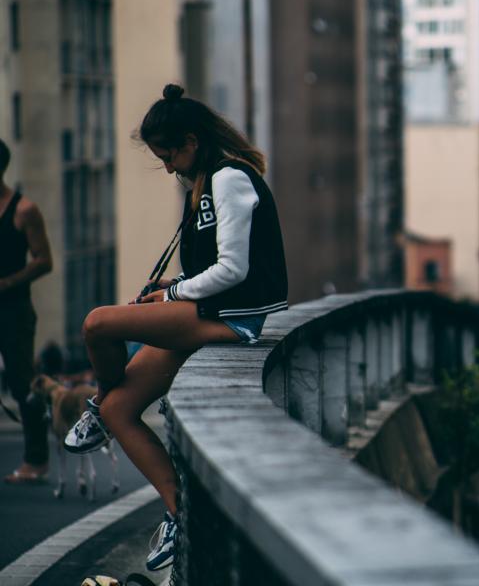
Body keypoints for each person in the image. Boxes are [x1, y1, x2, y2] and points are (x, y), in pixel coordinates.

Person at [62, 85, 288, 572]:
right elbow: (213, 266)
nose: (167, 167)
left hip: (232, 319)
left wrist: (172, 295)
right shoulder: (204, 181)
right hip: (211, 313)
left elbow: (234, 270)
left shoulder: (229, 178)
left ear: (190, 142)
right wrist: (176, 284)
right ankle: (178, 512)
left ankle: (96, 404)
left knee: (97, 324)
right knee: (124, 409)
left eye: (168, 156)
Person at [0, 138, 54, 484]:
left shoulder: (23, 210)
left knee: (23, 384)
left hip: (14, 309)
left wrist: (6, 283)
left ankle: (36, 460)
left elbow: (44, 260)